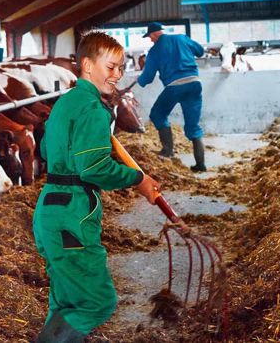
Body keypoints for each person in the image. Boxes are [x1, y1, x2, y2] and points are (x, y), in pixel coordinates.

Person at [33, 32, 161, 342]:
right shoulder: (92, 110)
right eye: (111, 67)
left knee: (66, 301)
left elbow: (46, 153)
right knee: (97, 302)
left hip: (50, 208)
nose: (118, 75)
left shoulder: (64, 104)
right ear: (88, 65)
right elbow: (94, 168)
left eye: (120, 68)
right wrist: (138, 179)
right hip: (73, 214)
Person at [136, 22, 207, 171]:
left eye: (150, 37)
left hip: (175, 86)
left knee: (158, 114)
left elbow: (147, 77)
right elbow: (200, 51)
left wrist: (138, 81)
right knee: (193, 125)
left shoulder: (155, 51)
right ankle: (200, 165)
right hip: (194, 83)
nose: (150, 40)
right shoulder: (182, 38)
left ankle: (168, 151)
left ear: (154, 34)